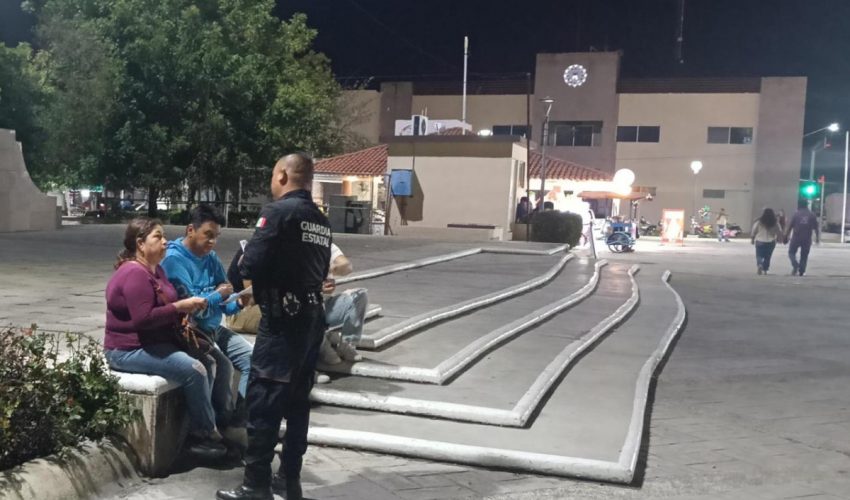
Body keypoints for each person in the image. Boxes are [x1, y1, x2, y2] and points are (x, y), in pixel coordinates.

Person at [217, 153, 332, 500]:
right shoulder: (320, 220)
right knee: (298, 403)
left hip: (282, 321)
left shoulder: (279, 212)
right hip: (311, 319)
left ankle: (255, 485)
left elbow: (249, 265)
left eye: (272, 175)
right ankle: (290, 480)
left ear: (282, 175)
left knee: (264, 401)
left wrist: (247, 266)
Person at [103, 218, 226, 459]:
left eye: (164, 236)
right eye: (158, 237)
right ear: (140, 244)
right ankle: (203, 435)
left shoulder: (156, 269)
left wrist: (187, 306)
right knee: (194, 370)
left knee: (210, 360)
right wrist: (180, 306)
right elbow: (143, 319)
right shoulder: (134, 273)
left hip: (156, 342)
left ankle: (206, 423)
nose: (165, 242)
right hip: (127, 350)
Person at [161, 204, 254, 429]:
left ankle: (241, 418)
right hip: (192, 331)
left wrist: (239, 302)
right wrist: (218, 295)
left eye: (216, 237)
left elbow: (225, 299)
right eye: (208, 235)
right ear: (190, 230)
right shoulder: (174, 260)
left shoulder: (211, 258)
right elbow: (194, 306)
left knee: (252, 358)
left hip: (214, 328)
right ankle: (220, 424)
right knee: (222, 366)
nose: (212, 242)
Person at [318, 243, 367, 364]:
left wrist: (332, 269)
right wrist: (317, 287)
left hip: (326, 305)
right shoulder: (299, 248)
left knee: (360, 296)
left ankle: (346, 344)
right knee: (332, 360)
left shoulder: (325, 243)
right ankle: (321, 346)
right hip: (306, 306)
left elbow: (347, 266)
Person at [786, 199, 821, 276]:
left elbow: (790, 226)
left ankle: (795, 264)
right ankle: (802, 271)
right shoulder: (812, 215)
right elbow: (816, 228)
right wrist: (817, 238)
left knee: (791, 252)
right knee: (804, 255)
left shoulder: (796, 214)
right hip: (807, 238)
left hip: (796, 237)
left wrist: (786, 235)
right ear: (806, 205)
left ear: (799, 205)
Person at [750, 208, 783, 275]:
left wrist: (752, 238)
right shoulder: (775, 222)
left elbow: (754, 230)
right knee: (768, 256)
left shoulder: (759, 222)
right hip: (771, 241)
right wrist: (780, 238)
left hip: (760, 240)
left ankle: (760, 264)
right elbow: (779, 231)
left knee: (759, 255)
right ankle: (765, 269)